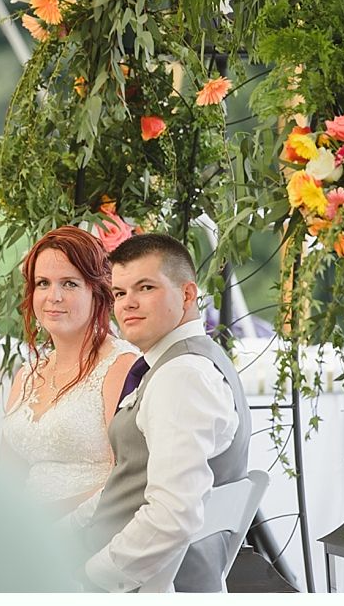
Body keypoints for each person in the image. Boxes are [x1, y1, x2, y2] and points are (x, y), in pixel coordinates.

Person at [66, 233, 252, 592]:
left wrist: (90, 576)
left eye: (145, 287)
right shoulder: (190, 361)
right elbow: (129, 482)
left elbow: (172, 514)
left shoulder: (182, 377)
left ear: (187, 294)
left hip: (133, 583)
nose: (127, 304)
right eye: (119, 293)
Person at [0, 227, 138, 518]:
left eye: (70, 284)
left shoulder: (122, 366)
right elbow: (5, 480)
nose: (54, 296)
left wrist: (43, 522)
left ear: (97, 291)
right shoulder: (27, 374)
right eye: (43, 283)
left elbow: (125, 481)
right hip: (21, 534)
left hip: (88, 530)